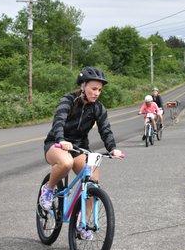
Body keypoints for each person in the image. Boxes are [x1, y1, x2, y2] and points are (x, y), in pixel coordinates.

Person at [40, 66, 124, 239]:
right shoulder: (68, 100)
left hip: (79, 147)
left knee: (93, 182)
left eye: (99, 90)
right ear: (83, 86)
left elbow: (105, 130)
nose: (97, 93)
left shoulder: (98, 108)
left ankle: (81, 223)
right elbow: (59, 121)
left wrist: (112, 148)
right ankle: (48, 190)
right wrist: (61, 139)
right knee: (66, 163)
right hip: (56, 144)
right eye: (93, 88)